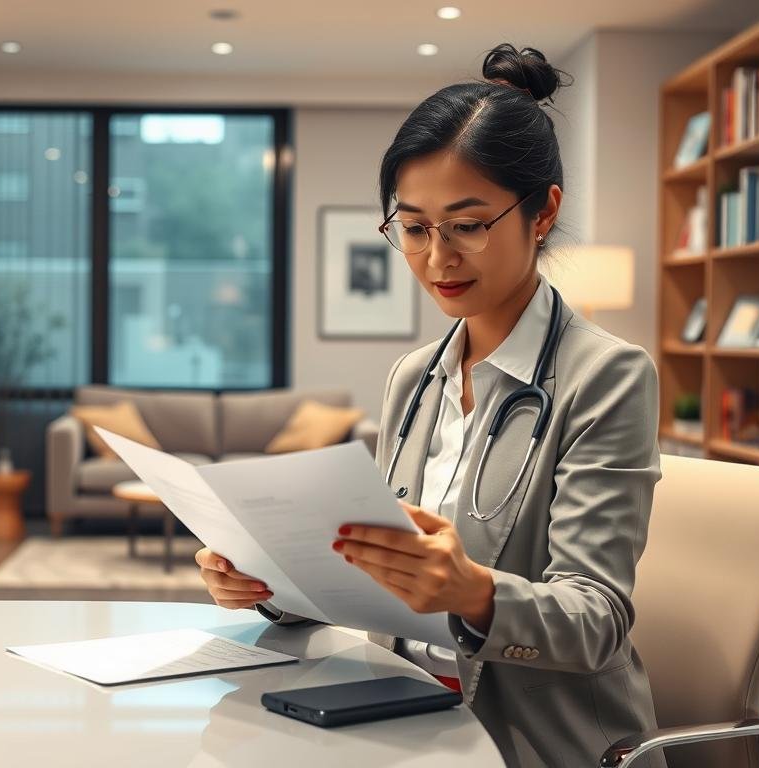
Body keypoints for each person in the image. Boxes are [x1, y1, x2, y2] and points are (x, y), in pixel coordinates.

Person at [194, 43, 665, 767]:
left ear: (543, 213)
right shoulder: (415, 377)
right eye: (413, 228)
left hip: (530, 742)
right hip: (403, 717)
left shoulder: (606, 376)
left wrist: (473, 593)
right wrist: (270, 581)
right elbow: (375, 566)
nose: (437, 258)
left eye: (468, 225)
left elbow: (596, 619)